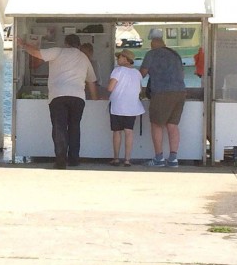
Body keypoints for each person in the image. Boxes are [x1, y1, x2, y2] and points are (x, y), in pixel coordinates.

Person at [18, 33, 98, 169]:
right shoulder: (84, 57)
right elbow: (91, 81)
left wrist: (23, 45)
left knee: (59, 128)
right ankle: (74, 159)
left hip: (58, 96)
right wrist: (95, 100)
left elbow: (37, 53)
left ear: (66, 43)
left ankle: (61, 160)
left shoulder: (58, 51)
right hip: (78, 97)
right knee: (74, 128)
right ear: (78, 45)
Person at [139, 30, 185, 168]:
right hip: (180, 92)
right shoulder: (175, 54)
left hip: (161, 93)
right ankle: (173, 159)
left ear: (153, 43)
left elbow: (141, 74)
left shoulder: (151, 54)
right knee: (173, 125)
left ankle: (159, 158)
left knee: (157, 124)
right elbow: (182, 74)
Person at [107, 49, 145, 167]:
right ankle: (127, 160)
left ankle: (116, 158)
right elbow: (140, 90)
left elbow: (110, 88)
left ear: (126, 59)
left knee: (117, 132)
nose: (118, 59)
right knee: (129, 132)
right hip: (132, 106)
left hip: (117, 105)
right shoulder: (137, 73)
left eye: (120, 57)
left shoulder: (117, 71)